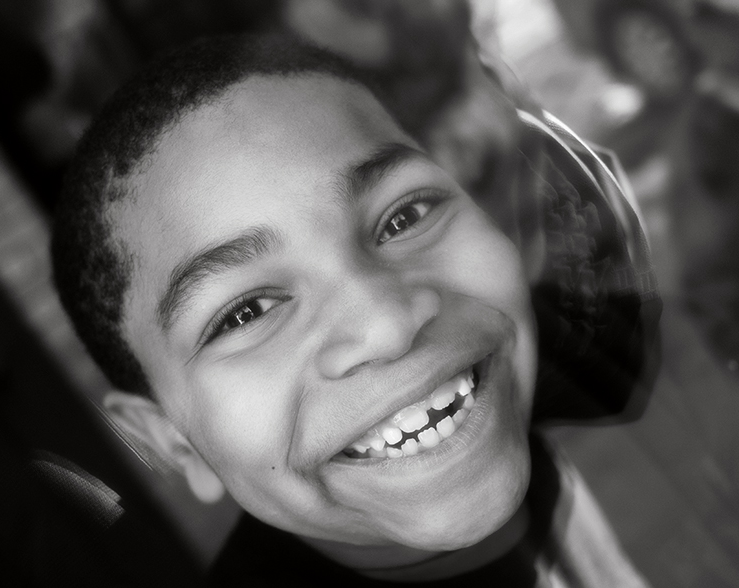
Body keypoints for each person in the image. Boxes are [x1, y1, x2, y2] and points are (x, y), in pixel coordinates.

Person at [51, 34, 660, 585]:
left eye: (405, 217)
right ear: (175, 442)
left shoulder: (561, 425)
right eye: (246, 313)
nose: (387, 325)